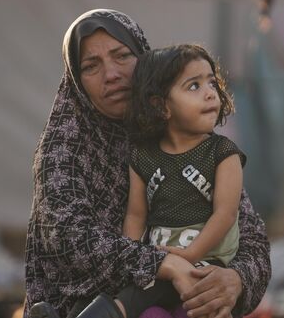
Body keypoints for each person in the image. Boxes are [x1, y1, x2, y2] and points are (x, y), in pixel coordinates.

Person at [24, 9, 271, 318]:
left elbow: (250, 235)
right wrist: (163, 264)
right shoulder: (64, 148)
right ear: (76, 79)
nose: (111, 74)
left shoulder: (186, 137)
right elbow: (68, 238)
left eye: (122, 56)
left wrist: (236, 279)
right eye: (91, 66)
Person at [105, 44, 246, 318]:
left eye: (212, 83)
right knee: (150, 313)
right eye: (194, 86)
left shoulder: (223, 153)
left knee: (191, 307)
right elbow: (136, 216)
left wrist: (189, 255)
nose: (209, 93)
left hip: (207, 260)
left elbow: (225, 214)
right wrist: (133, 260)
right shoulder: (144, 157)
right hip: (160, 261)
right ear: (161, 106)